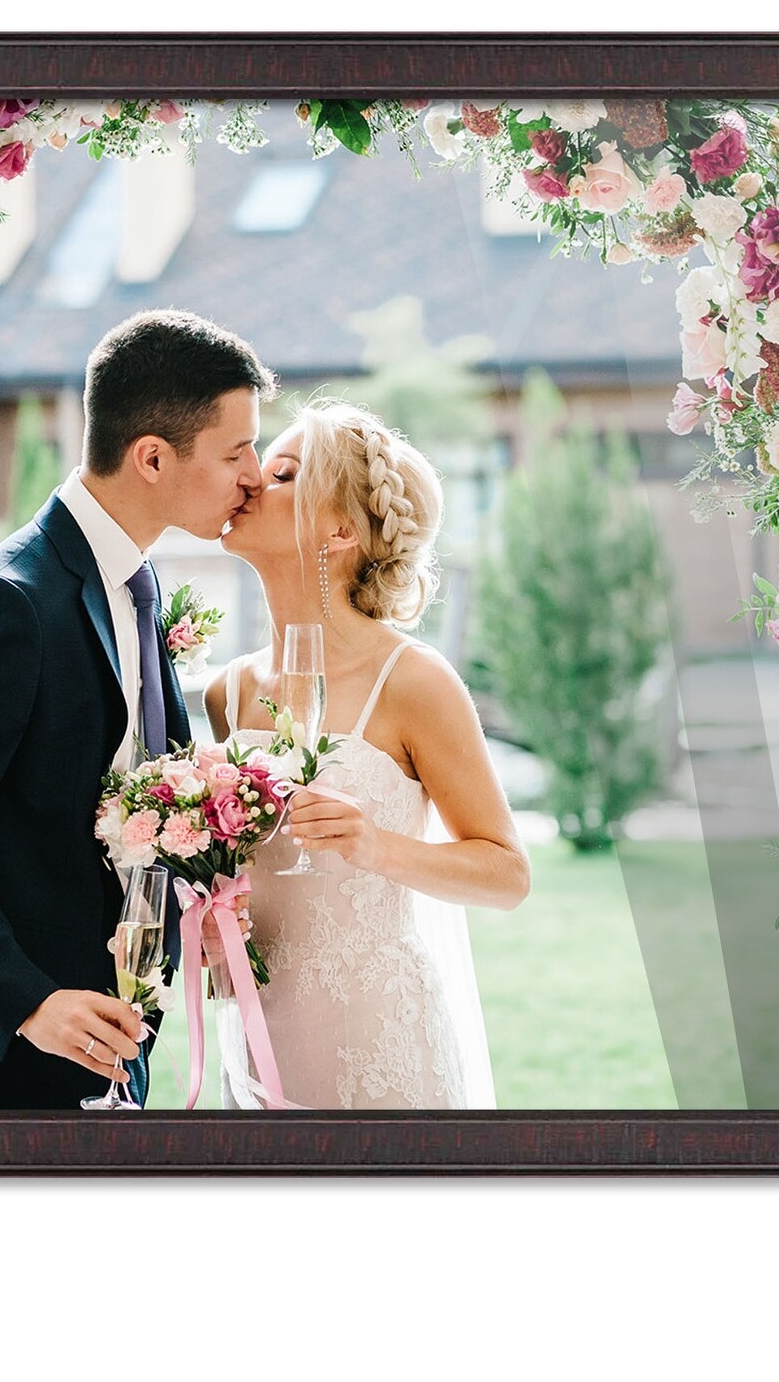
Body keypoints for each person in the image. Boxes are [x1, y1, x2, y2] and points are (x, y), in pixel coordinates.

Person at [0, 309, 275, 1109]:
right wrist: (28, 1003)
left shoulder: (135, 585)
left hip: (116, 1040)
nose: (254, 476)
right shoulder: (7, 603)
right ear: (151, 457)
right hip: (12, 1071)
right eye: (236, 452)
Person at [204, 398, 530, 1109]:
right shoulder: (229, 691)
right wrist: (208, 920)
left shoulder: (414, 681)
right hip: (256, 1051)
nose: (252, 479)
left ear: (341, 530)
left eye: (283, 474)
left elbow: (507, 875)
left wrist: (376, 846)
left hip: (380, 1051)